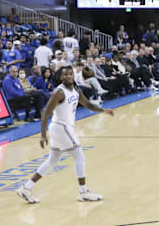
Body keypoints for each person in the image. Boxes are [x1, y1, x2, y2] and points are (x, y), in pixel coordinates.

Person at [16, 66, 114, 204]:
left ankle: (26, 188)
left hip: (62, 128)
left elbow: (87, 104)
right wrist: (43, 135)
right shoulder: (59, 92)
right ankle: (83, 191)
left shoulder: (76, 89)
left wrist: (103, 110)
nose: (69, 76)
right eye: (66, 75)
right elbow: (45, 113)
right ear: (61, 77)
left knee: (52, 161)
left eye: (71, 74)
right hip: (61, 127)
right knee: (79, 156)